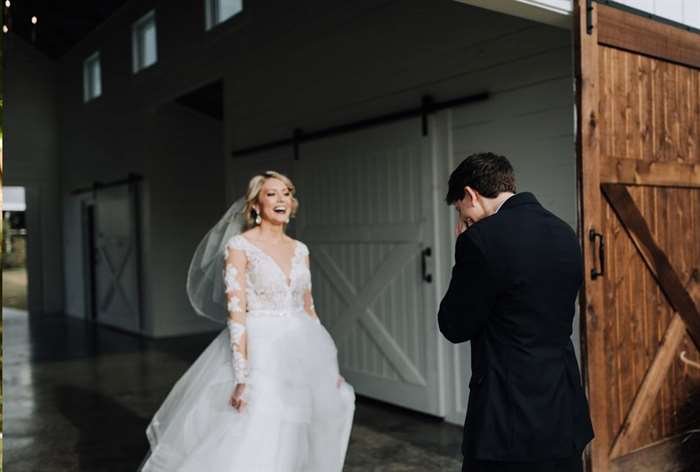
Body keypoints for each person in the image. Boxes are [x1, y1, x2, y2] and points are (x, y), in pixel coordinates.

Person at [139, 171, 355, 472]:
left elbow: (308, 308)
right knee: (257, 429)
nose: (281, 199)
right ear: (255, 205)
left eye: (286, 193)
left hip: (300, 346)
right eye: (272, 194)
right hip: (259, 347)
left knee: (299, 424)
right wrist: (243, 378)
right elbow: (236, 314)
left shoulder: (300, 249)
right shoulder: (239, 247)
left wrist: (326, 368)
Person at [437, 153, 593, 472]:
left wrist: (463, 248)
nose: (462, 217)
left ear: (471, 195)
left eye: (460, 209)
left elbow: (454, 325)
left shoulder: (479, 241)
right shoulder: (565, 233)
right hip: (562, 408)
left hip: (504, 419)